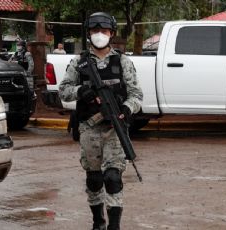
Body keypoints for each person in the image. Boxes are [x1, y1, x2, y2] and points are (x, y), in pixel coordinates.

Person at [58, 12, 143, 230]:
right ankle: (98, 222)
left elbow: (136, 95)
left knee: (113, 177)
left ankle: (114, 226)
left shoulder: (122, 61)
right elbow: (64, 91)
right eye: (95, 31)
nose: (99, 35)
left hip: (114, 129)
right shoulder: (79, 62)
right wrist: (82, 91)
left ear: (111, 33)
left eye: (104, 31)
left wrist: (126, 108)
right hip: (88, 128)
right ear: (88, 34)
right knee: (94, 179)